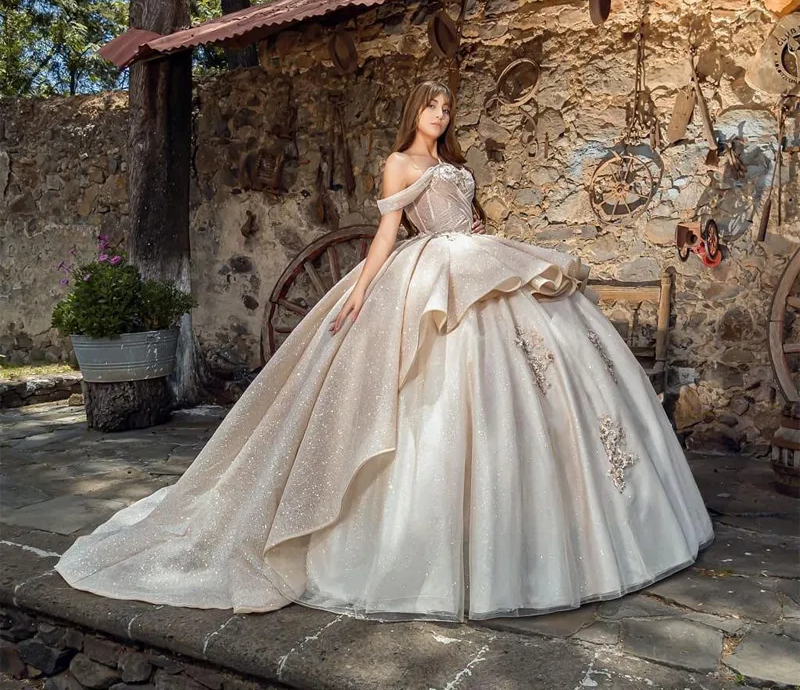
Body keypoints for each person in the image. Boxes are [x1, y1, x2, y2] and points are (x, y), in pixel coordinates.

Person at [55, 79, 714, 622]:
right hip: (425, 273)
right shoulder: (400, 163)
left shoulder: (455, 164)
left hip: (477, 258)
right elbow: (386, 233)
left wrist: (477, 228)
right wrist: (358, 293)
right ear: (413, 111)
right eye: (432, 105)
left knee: (540, 361)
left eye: (447, 106)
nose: (440, 113)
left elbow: (464, 215)